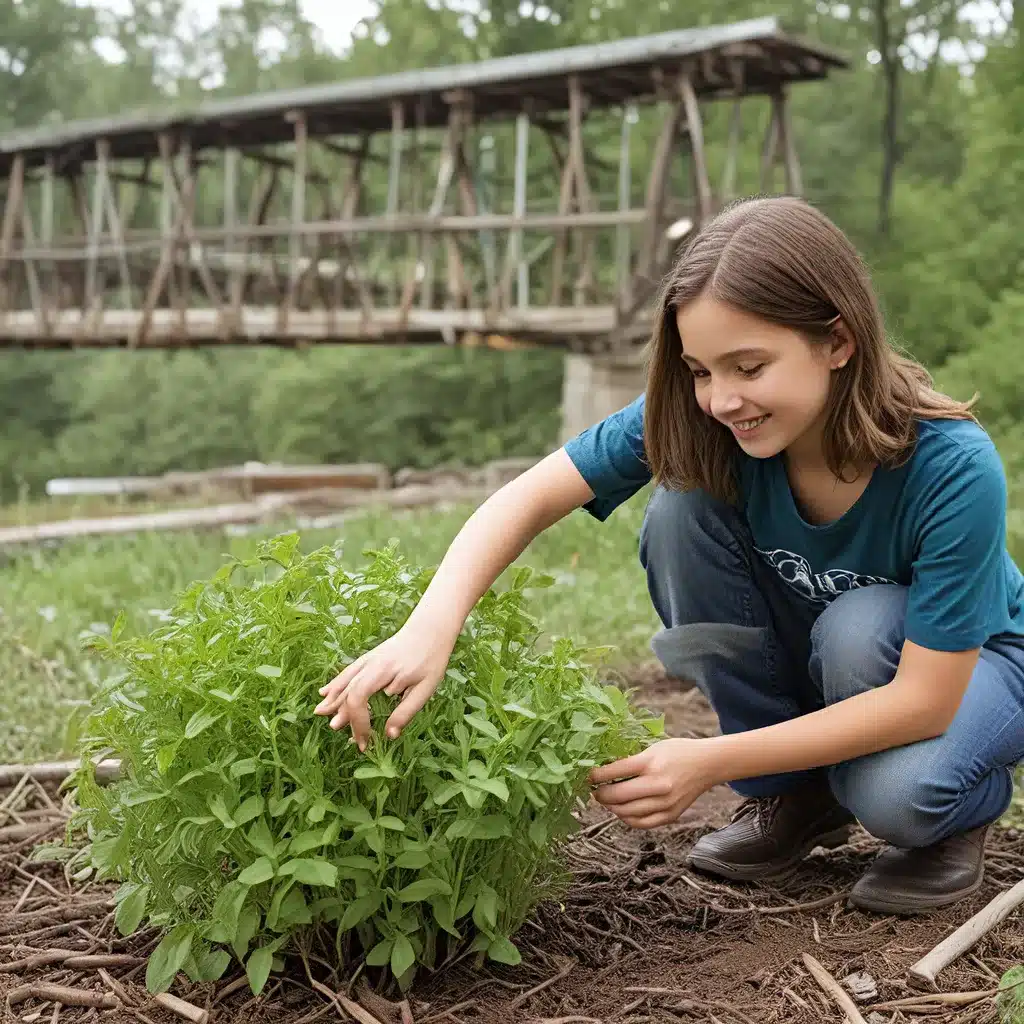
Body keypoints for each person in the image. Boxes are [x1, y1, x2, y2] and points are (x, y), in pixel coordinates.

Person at [314, 195, 1024, 915]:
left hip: (972, 669)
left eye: (749, 366)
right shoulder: (706, 420)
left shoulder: (951, 466)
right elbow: (526, 498)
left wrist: (708, 762)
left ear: (837, 341)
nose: (721, 399)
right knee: (681, 507)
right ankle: (794, 795)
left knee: (885, 740)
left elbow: (923, 699)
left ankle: (956, 814)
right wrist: (429, 627)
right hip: (837, 661)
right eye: (700, 370)